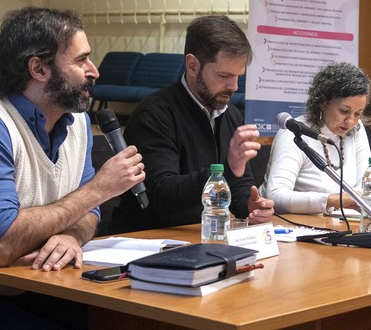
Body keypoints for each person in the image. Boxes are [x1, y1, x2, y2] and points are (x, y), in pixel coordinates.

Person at [0, 7, 146, 329]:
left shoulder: (77, 121)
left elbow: (87, 213)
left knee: (130, 319)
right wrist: (99, 190)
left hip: (35, 282)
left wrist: (70, 236)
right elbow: (1, 244)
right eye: (81, 60)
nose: (94, 71)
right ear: (38, 68)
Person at [108, 14, 274, 234]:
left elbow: (239, 184)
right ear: (193, 65)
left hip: (202, 235)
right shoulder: (154, 115)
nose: (233, 86)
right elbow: (161, 196)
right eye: (224, 75)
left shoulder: (230, 114)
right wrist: (226, 170)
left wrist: (250, 206)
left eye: (238, 76)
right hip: (150, 239)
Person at [260, 62, 371, 214]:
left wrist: (360, 196)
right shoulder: (293, 134)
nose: (351, 121)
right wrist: (333, 200)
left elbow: (366, 182)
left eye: (358, 113)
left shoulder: (356, 128)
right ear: (322, 102)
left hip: (340, 223)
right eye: (344, 111)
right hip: (296, 227)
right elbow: (275, 196)